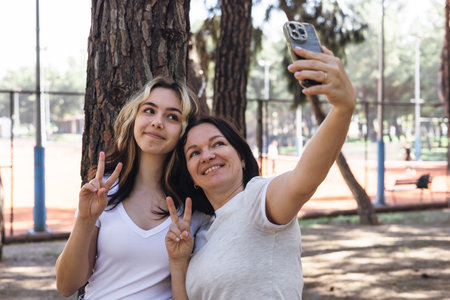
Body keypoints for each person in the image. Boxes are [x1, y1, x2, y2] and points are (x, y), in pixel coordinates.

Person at [165, 45, 356, 299]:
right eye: (194, 153)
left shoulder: (258, 199)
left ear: (242, 158)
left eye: (218, 144)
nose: (208, 155)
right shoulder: (202, 233)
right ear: (190, 175)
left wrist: (342, 109)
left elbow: (303, 180)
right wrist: (178, 263)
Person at [55, 76, 212, 299]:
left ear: (183, 133)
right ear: (134, 117)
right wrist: (85, 220)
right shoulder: (105, 190)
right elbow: (66, 285)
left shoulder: (195, 208)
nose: (157, 122)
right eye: (149, 110)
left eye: (172, 117)